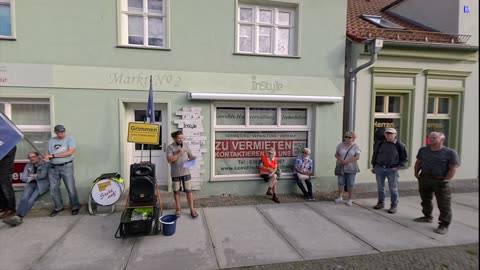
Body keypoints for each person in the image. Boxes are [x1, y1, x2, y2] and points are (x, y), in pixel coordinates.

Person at [414, 132, 459, 235]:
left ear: (442, 140)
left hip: (440, 181)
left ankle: (444, 224)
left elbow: (453, 168)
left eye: (434, 138)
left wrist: (446, 180)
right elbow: (418, 162)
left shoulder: (450, 153)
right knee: (425, 200)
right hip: (425, 178)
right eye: (430, 138)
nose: (431, 140)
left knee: (444, 204)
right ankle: (427, 216)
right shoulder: (423, 150)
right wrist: (416, 173)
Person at [3, 151, 50, 226]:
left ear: (38, 156)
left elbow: (43, 175)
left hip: (41, 185)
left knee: (31, 199)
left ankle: (19, 216)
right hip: (31, 184)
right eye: (29, 157)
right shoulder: (28, 165)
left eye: (33, 156)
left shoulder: (44, 164)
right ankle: (17, 217)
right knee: (24, 198)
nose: (31, 159)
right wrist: (34, 176)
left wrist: (32, 175)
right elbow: (24, 178)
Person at [44, 125, 81, 216]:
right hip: (53, 167)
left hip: (66, 166)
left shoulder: (69, 139)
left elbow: (70, 152)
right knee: (53, 189)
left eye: (63, 131)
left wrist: (52, 156)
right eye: (60, 132)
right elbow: (47, 152)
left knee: (70, 187)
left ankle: (75, 206)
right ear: (55, 132)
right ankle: (58, 207)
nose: (62, 133)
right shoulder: (51, 140)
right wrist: (46, 157)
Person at [370, 127, 408, 214]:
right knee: (380, 187)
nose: (389, 135)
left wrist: (398, 167)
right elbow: (375, 155)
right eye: (387, 133)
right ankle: (381, 203)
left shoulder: (400, 145)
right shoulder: (379, 144)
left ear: (395, 135)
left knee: (393, 189)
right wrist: (374, 166)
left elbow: (404, 159)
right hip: (379, 168)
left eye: (391, 134)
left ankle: (394, 205)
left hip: (392, 170)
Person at [166, 130, 198, 219]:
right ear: (175, 138)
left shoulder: (186, 145)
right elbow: (169, 160)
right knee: (176, 192)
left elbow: (190, 155)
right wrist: (179, 153)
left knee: (189, 191)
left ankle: (192, 209)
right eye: (179, 138)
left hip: (186, 172)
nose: (181, 139)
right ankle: (178, 209)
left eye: (182, 138)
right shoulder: (170, 147)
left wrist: (193, 158)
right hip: (175, 173)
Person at [334, 131, 361, 206]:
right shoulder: (340, 145)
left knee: (350, 184)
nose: (347, 138)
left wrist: (347, 161)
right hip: (341, 166)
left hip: (351, 168)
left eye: (349, 137)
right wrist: (341, 160)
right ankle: (340, 197)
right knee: (340, 182)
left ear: (353, 138)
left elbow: (357, 157)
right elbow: (336, 154)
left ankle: (350, 199)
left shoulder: (356, 146)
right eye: (346, 137)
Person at [0, 145, 17, 219]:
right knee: (0, 190)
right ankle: (3, 207)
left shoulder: (11, 144)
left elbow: (3, 154)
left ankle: (11, 209)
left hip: (6, 170)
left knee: (6, 190)